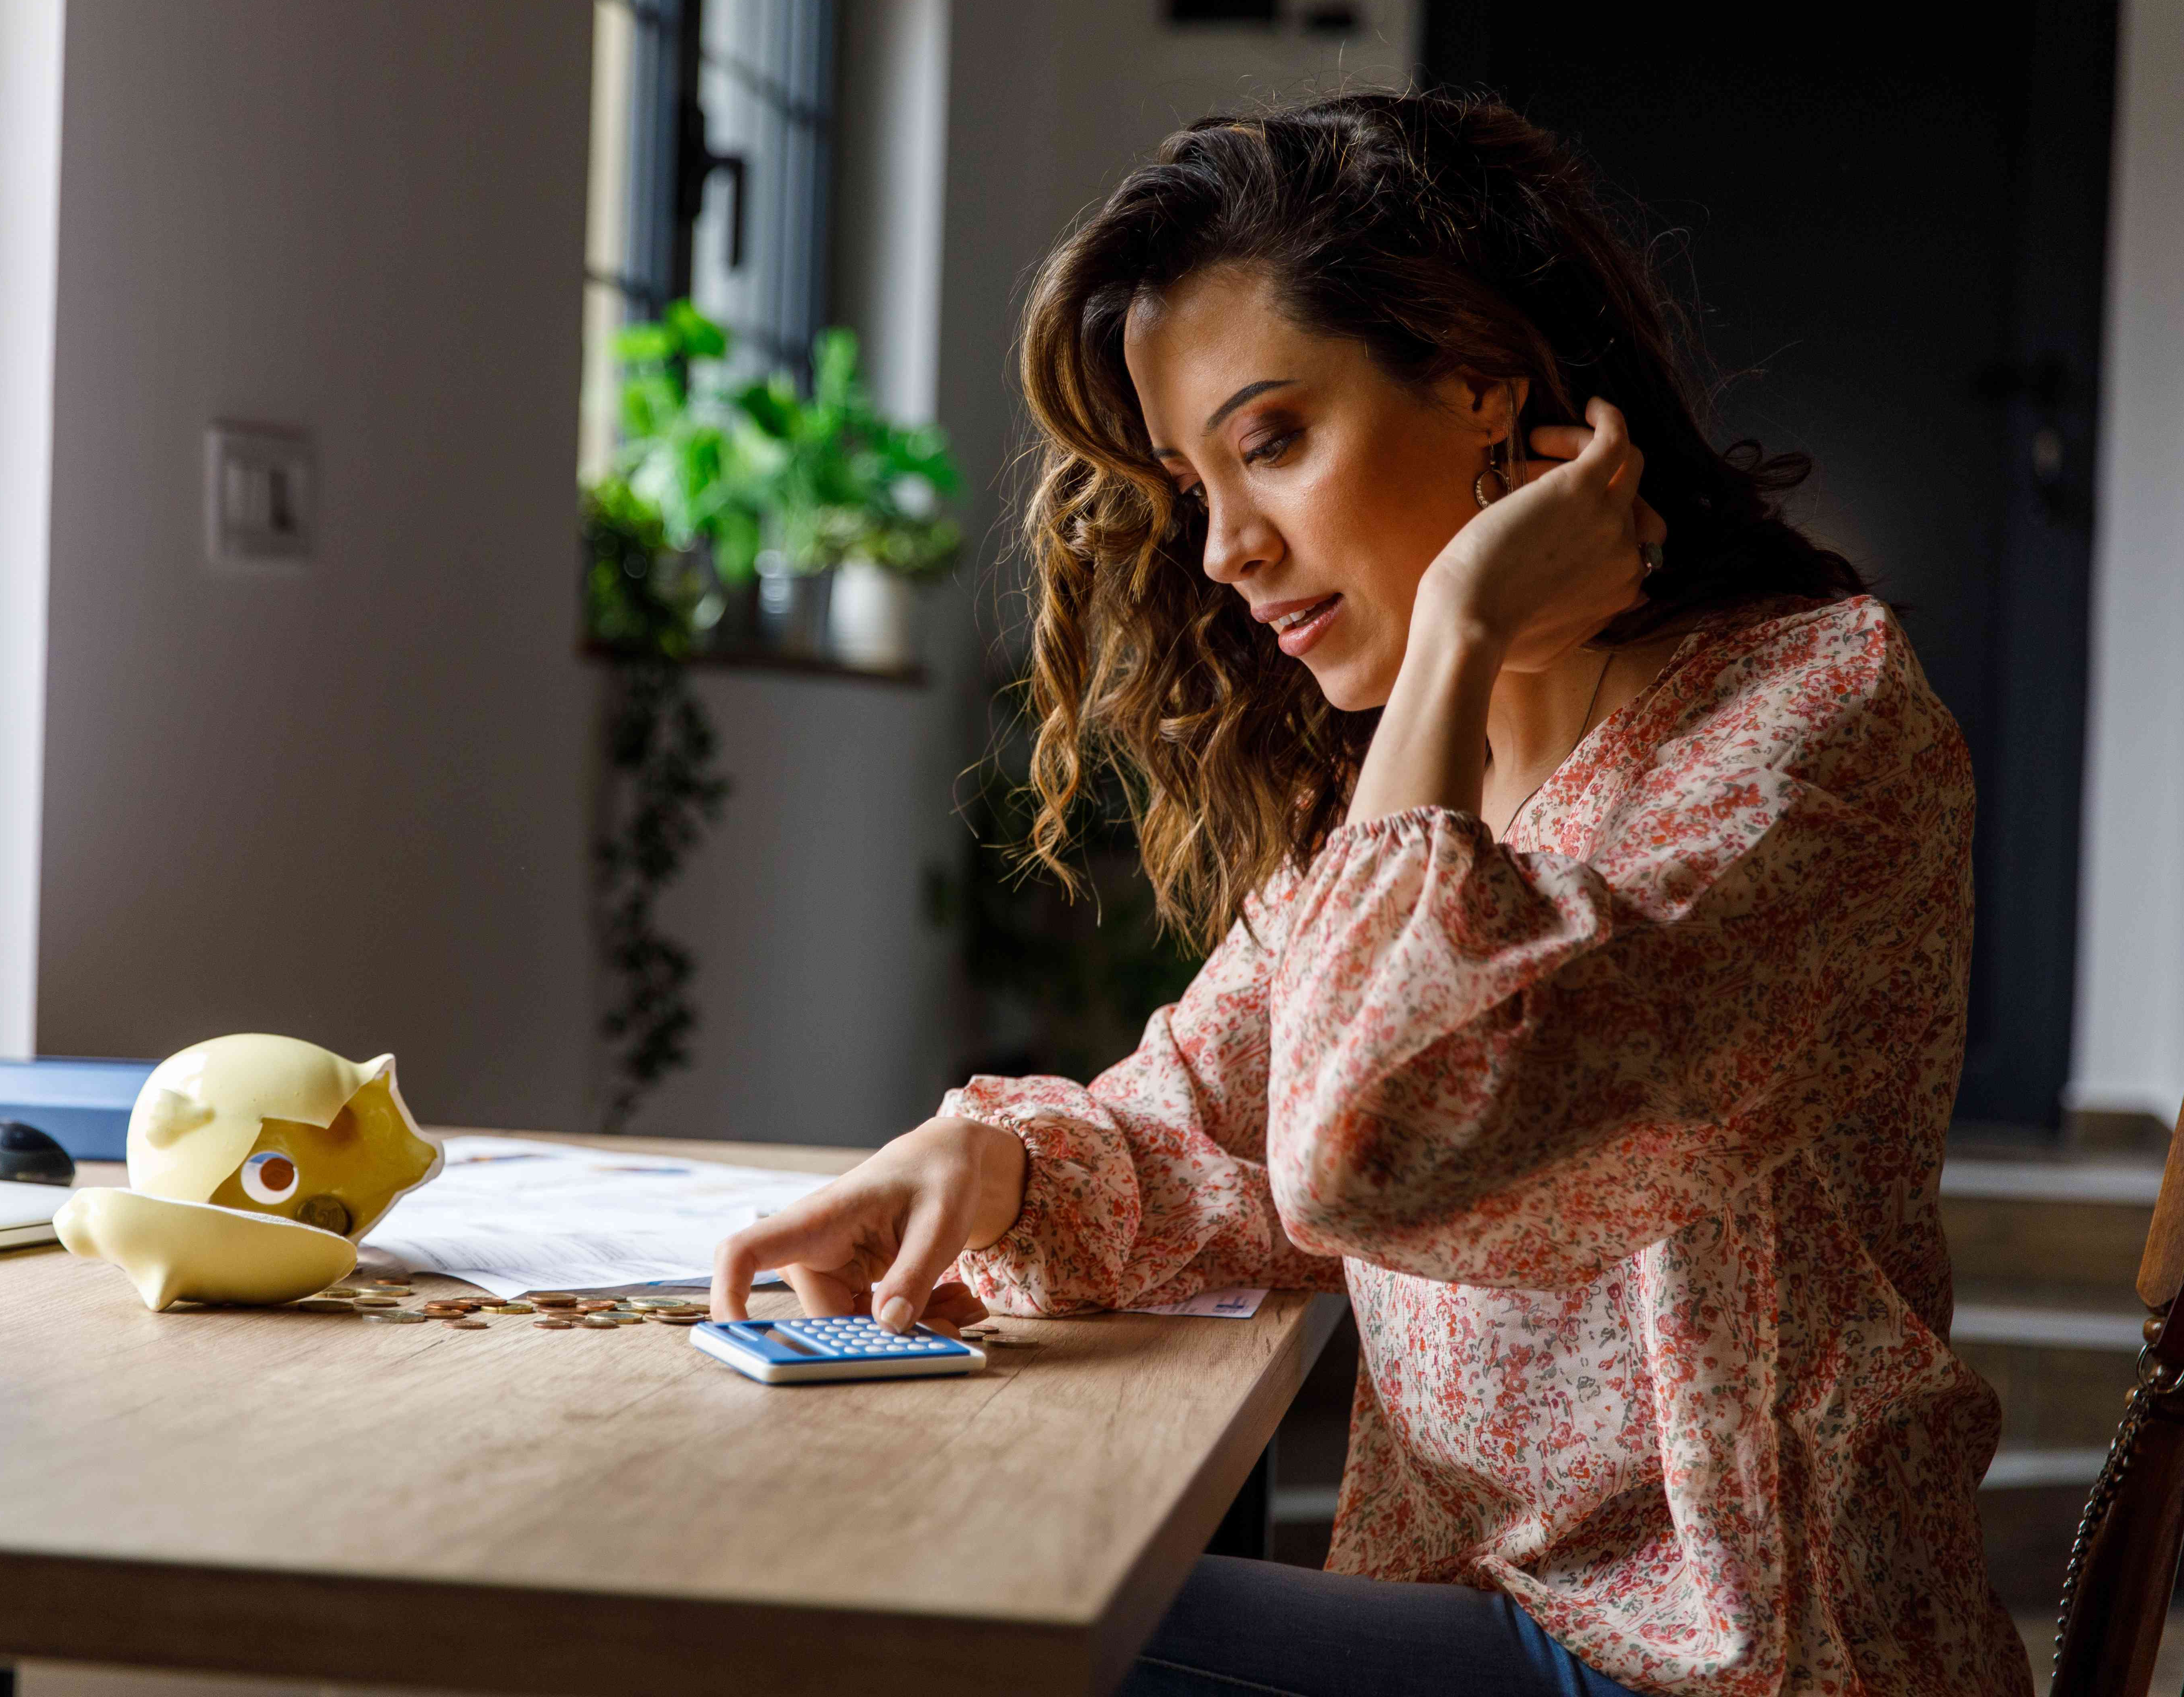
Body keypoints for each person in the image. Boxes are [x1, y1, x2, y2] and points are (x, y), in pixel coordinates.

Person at [711, 92, 2027, 1697]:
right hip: (1493, 1619)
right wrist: (985, 1163)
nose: (1223, 550)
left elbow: (1366, 1142)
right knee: (869, 1585)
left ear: (1493, 396)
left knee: (906, 1641)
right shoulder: (1414, 782)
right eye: (1196, 481)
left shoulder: (1808, 734)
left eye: (1272, 439)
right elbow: (1218, 1116)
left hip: (1734, 1661)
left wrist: (1467, 619)